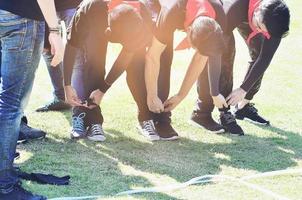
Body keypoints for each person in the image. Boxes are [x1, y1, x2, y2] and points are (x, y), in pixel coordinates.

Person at [64, 0, 165, 141]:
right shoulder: (91, 8)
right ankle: (94, 121)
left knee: (137, 65)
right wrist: (67, 85)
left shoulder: (142, 17)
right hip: (96, 18)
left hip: (127, 24)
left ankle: (145, 117)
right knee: (95, 63)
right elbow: (71, 44)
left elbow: (126, 55)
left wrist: (102, 90)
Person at [195, 0, 290, 134]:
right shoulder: (234, 9)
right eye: (260, 27)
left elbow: (265, 58)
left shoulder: (276, 16)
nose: (261, 32)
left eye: (265, 31)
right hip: (230, 14)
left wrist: (244, 89)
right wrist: (215, 93)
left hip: (255, 16)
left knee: (260, 51)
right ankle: (203, 112)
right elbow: (213, 53)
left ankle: (242, 107)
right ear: (257, 13)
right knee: (225, 50)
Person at [0, 0, 64, 199]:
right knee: (12, 103)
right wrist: (54, 29)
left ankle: (5, 170)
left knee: (8, 101)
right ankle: (4, 183)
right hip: (21, 17)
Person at [145, 0, 229, 136]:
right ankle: (155, 117)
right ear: (189, 31)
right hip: (159, 4)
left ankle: (161, 113)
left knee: (206, 53)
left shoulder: (218, 14)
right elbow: (152, 56)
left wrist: (180, 95)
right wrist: (152, 94)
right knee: (165, 55)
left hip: (187, 13)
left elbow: (200, 58)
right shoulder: (171, 11)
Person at [36, 0, 82, 112]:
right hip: (45, 6)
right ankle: (61, 97)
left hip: (74, 4)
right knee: (48, 49)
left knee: (79, 51)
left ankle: (81, 98)